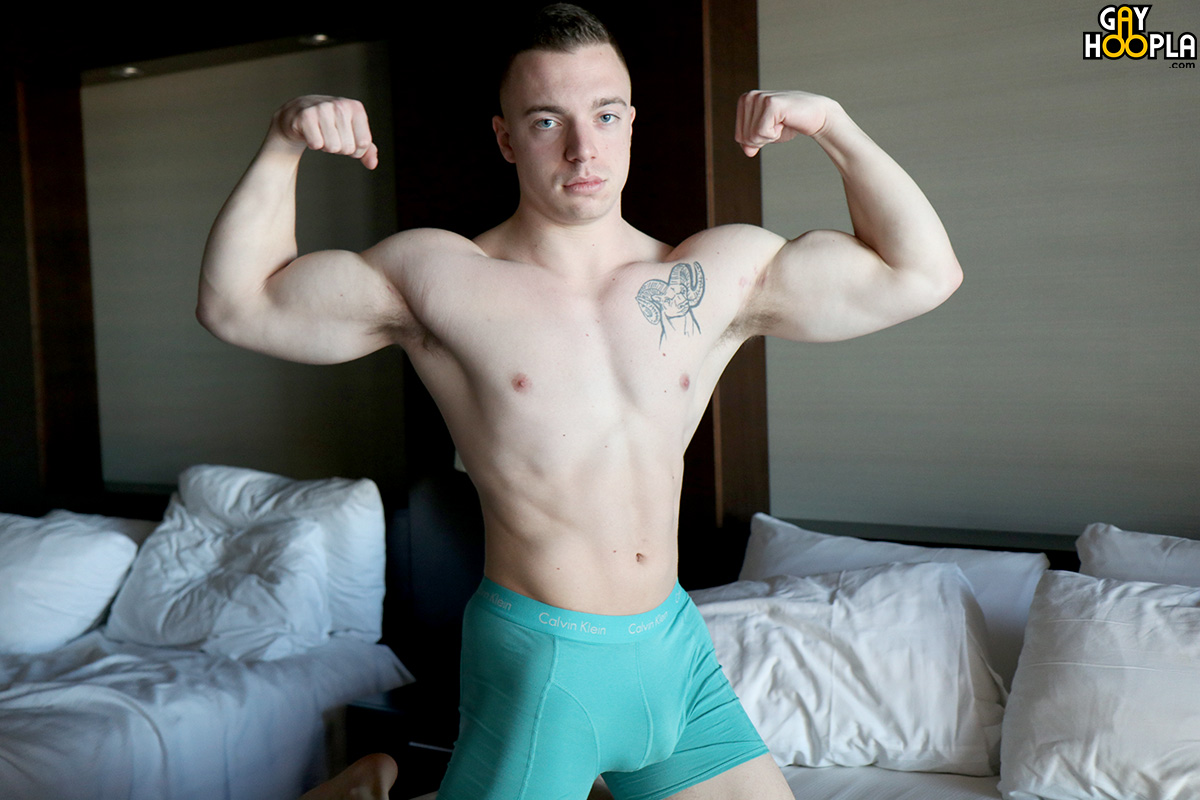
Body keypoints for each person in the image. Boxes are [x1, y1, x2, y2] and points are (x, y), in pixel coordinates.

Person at [199, 5, 962, 799]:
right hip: (543, 663)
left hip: (674, 653)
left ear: (631, 123)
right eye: (546, 121)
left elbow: (922, 274)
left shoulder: (712, 277)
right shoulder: (442, 278)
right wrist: (283, 143)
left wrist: (834, 126)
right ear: (505, 140)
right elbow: (237, 305)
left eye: (604, 115)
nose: (582, 148)